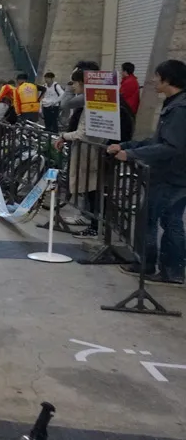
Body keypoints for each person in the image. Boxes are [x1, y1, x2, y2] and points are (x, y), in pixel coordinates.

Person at [108, 59, 186, 286]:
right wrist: (128, 146)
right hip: (170, 175)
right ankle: (160, 267)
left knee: (162, 221)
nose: (152, 80)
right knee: (164, 220)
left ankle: (164, 268)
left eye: (156, 76)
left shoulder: (180, 109)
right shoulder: (174, 104)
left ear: (168, 79)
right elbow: (157, 141)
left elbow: (171, 147)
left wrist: (131, 155)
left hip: (172, 177)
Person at [53, 69, 102, 239]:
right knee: (87, 188)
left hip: (90, 151)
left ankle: (95, 226)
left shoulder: (93, 102)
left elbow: (83, 133)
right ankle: (88, 218)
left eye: (73, 83)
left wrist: (64, 136)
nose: (72, 87)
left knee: (91, 188)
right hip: (87, 150)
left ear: (82, 82)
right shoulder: (90, 100)